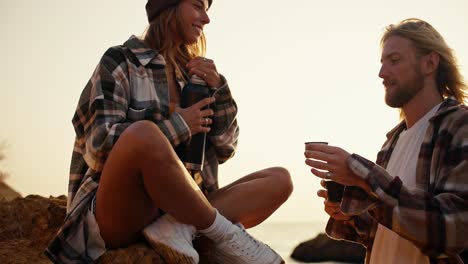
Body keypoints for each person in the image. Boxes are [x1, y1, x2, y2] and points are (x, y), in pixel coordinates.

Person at [46, 0, 293, 263]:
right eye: (198, 6)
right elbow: (98, 147)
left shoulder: (193, 73)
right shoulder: (120, 61)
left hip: (181, 213)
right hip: (124, 211)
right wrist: (180, 126)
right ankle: (224, 234)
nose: (206, 20)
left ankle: (178, 227)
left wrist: (220, 89)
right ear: (169, 6)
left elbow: (226, 148)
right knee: (144, 134)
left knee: (280, 180)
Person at [305, 18, 467, 263]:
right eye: (382, 63)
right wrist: (349, 216)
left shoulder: (460, 126)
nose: (382, 73)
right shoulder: (391, 143)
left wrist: (365, 177)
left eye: (394, 60)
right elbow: (383, 234)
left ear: (430, 63)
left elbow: (454, 231)